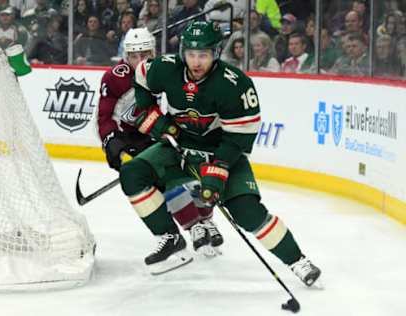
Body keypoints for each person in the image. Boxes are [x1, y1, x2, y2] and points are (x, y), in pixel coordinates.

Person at [120, 21, 321, 286]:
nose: (196, 62)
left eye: (203, 55)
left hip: (220, 152)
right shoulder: (166, 68)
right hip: (179, 148)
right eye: (191, 54)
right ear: (182, 52)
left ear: (215, 53)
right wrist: (151, 115)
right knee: (133, 173)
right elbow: (142, 77)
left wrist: (217, 173)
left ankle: (298, 261)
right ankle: (170, 236)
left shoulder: (234, 84)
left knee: (248, 212)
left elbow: (236, 140)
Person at [97, 27, 224, 259]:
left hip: (166, 132)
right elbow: (105, 119)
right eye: (133, 56)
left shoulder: (170, 70)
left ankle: (204, 222)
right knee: (163, 183)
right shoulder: (115, 77)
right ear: (126, 56)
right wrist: (115, 147)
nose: (139, 61)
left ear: (153, 52)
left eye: (144, 55)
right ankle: (193, 226)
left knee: (197, 175)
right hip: (131, 140)